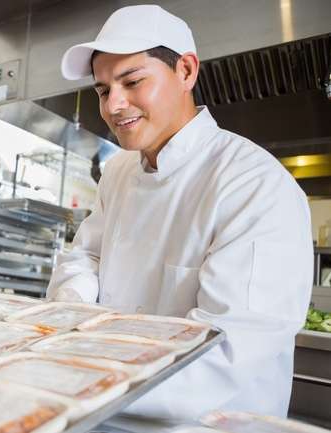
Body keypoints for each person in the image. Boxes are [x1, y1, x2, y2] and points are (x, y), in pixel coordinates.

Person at [49, 4, 312, 420]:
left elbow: (228, 348)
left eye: (132, 81)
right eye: (102, 90)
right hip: (104, 412)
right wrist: (67, 309)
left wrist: (76, 382)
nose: (114, 105)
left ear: (186, 72)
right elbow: (89, 255)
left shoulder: (253, 183)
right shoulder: (118, 171)